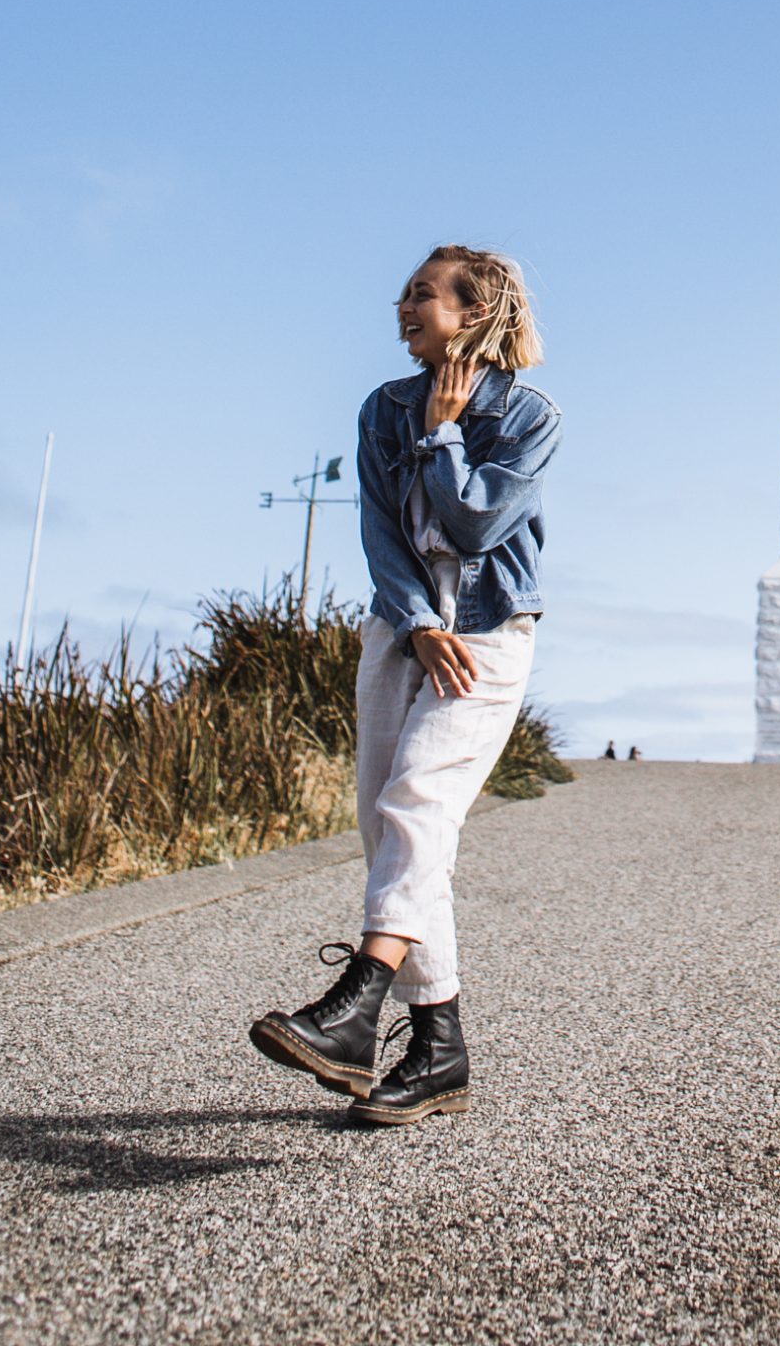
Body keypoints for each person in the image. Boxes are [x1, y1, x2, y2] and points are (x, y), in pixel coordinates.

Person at [250, 243, 559, 1128]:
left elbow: (475, 521)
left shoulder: (528, 416)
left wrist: (447, 430)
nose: (406, 305)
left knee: (418, 809)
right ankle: (439, 1050)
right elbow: (382, 535)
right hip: (402, 632)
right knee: (389, 828)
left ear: (479, 309)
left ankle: (355, 1005)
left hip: (488, 637)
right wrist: (417, 623)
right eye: (406, 293)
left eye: (428, 294)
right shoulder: (381, 407)